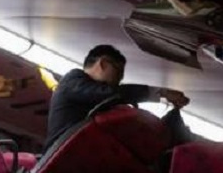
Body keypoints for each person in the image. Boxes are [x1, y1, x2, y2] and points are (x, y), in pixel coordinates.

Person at [44, 44, 189, 151]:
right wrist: (160, 93)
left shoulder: (96, 97)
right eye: (118, 72)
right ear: (103, 64)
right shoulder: (73, 79)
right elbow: (108, 94)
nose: (119, 79)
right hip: (61, 153)